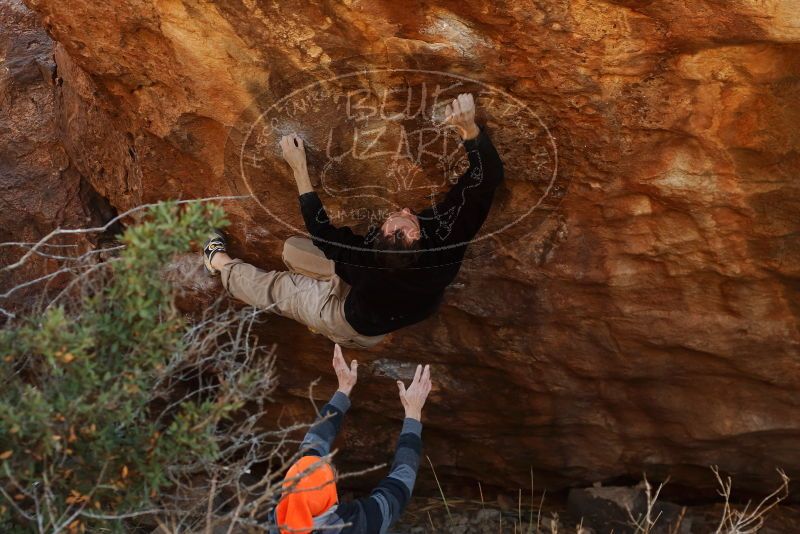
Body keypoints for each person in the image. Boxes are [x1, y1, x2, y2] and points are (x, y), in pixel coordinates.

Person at [203, 93, 504, 348]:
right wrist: (469, 130)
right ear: (418, 241)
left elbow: (322, 232)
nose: (406, 211)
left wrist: (298, 167)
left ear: (380, 239)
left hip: (350, 319)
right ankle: (325, 313)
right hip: (385, 306)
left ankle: (217, 261)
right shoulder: (447, 247)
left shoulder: (363, 262)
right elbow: (487, 179)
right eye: (406, 218)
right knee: (292, 249)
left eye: (399, 220)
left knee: (280, 288)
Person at [267, 344, 432, 534]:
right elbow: (400, 484)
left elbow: (312, 446)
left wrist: (343, 391)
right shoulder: (353, 525)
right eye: (329, 476)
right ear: (327, 495)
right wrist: (413, 413)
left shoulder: (278, 518)